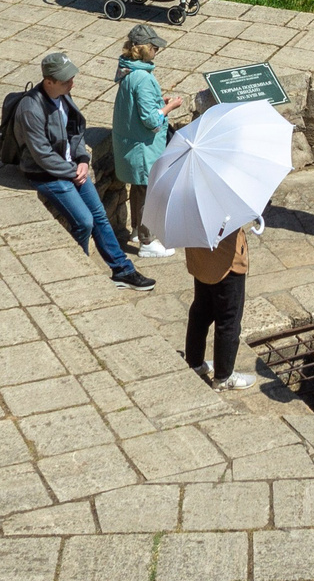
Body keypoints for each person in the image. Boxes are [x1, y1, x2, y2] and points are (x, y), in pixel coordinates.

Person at [13, 52, 156, 290]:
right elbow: (41, 154)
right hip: (47, 174)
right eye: (66, 80)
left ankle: (122, 270)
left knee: (99, 216)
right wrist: (71, 170)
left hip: (71, 169)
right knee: (84, 221)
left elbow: (77, 130)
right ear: (49, 81)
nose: (72, 83)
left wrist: (81, 159)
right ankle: (79, 270)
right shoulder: (31, 108)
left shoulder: (63, 95)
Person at [107, 25, 182, 261]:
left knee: (139, 190)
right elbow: (151, 120)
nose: (157, 50)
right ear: (143, 49)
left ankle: (138, 232)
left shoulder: (128, 71)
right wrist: (169, 107)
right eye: (154, 47)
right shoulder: (143, 78)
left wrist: (160, 101)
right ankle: (148, 243)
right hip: (144, 150)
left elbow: (139, 107)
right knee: (150, 194)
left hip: (130, 146)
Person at [184, 223, 255, 389]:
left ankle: (194, 363)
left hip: (200, 256)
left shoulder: (191, 201)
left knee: (201, 312)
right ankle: (223, 377)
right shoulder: (224, 199)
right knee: (228, 320)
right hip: (226, 263)